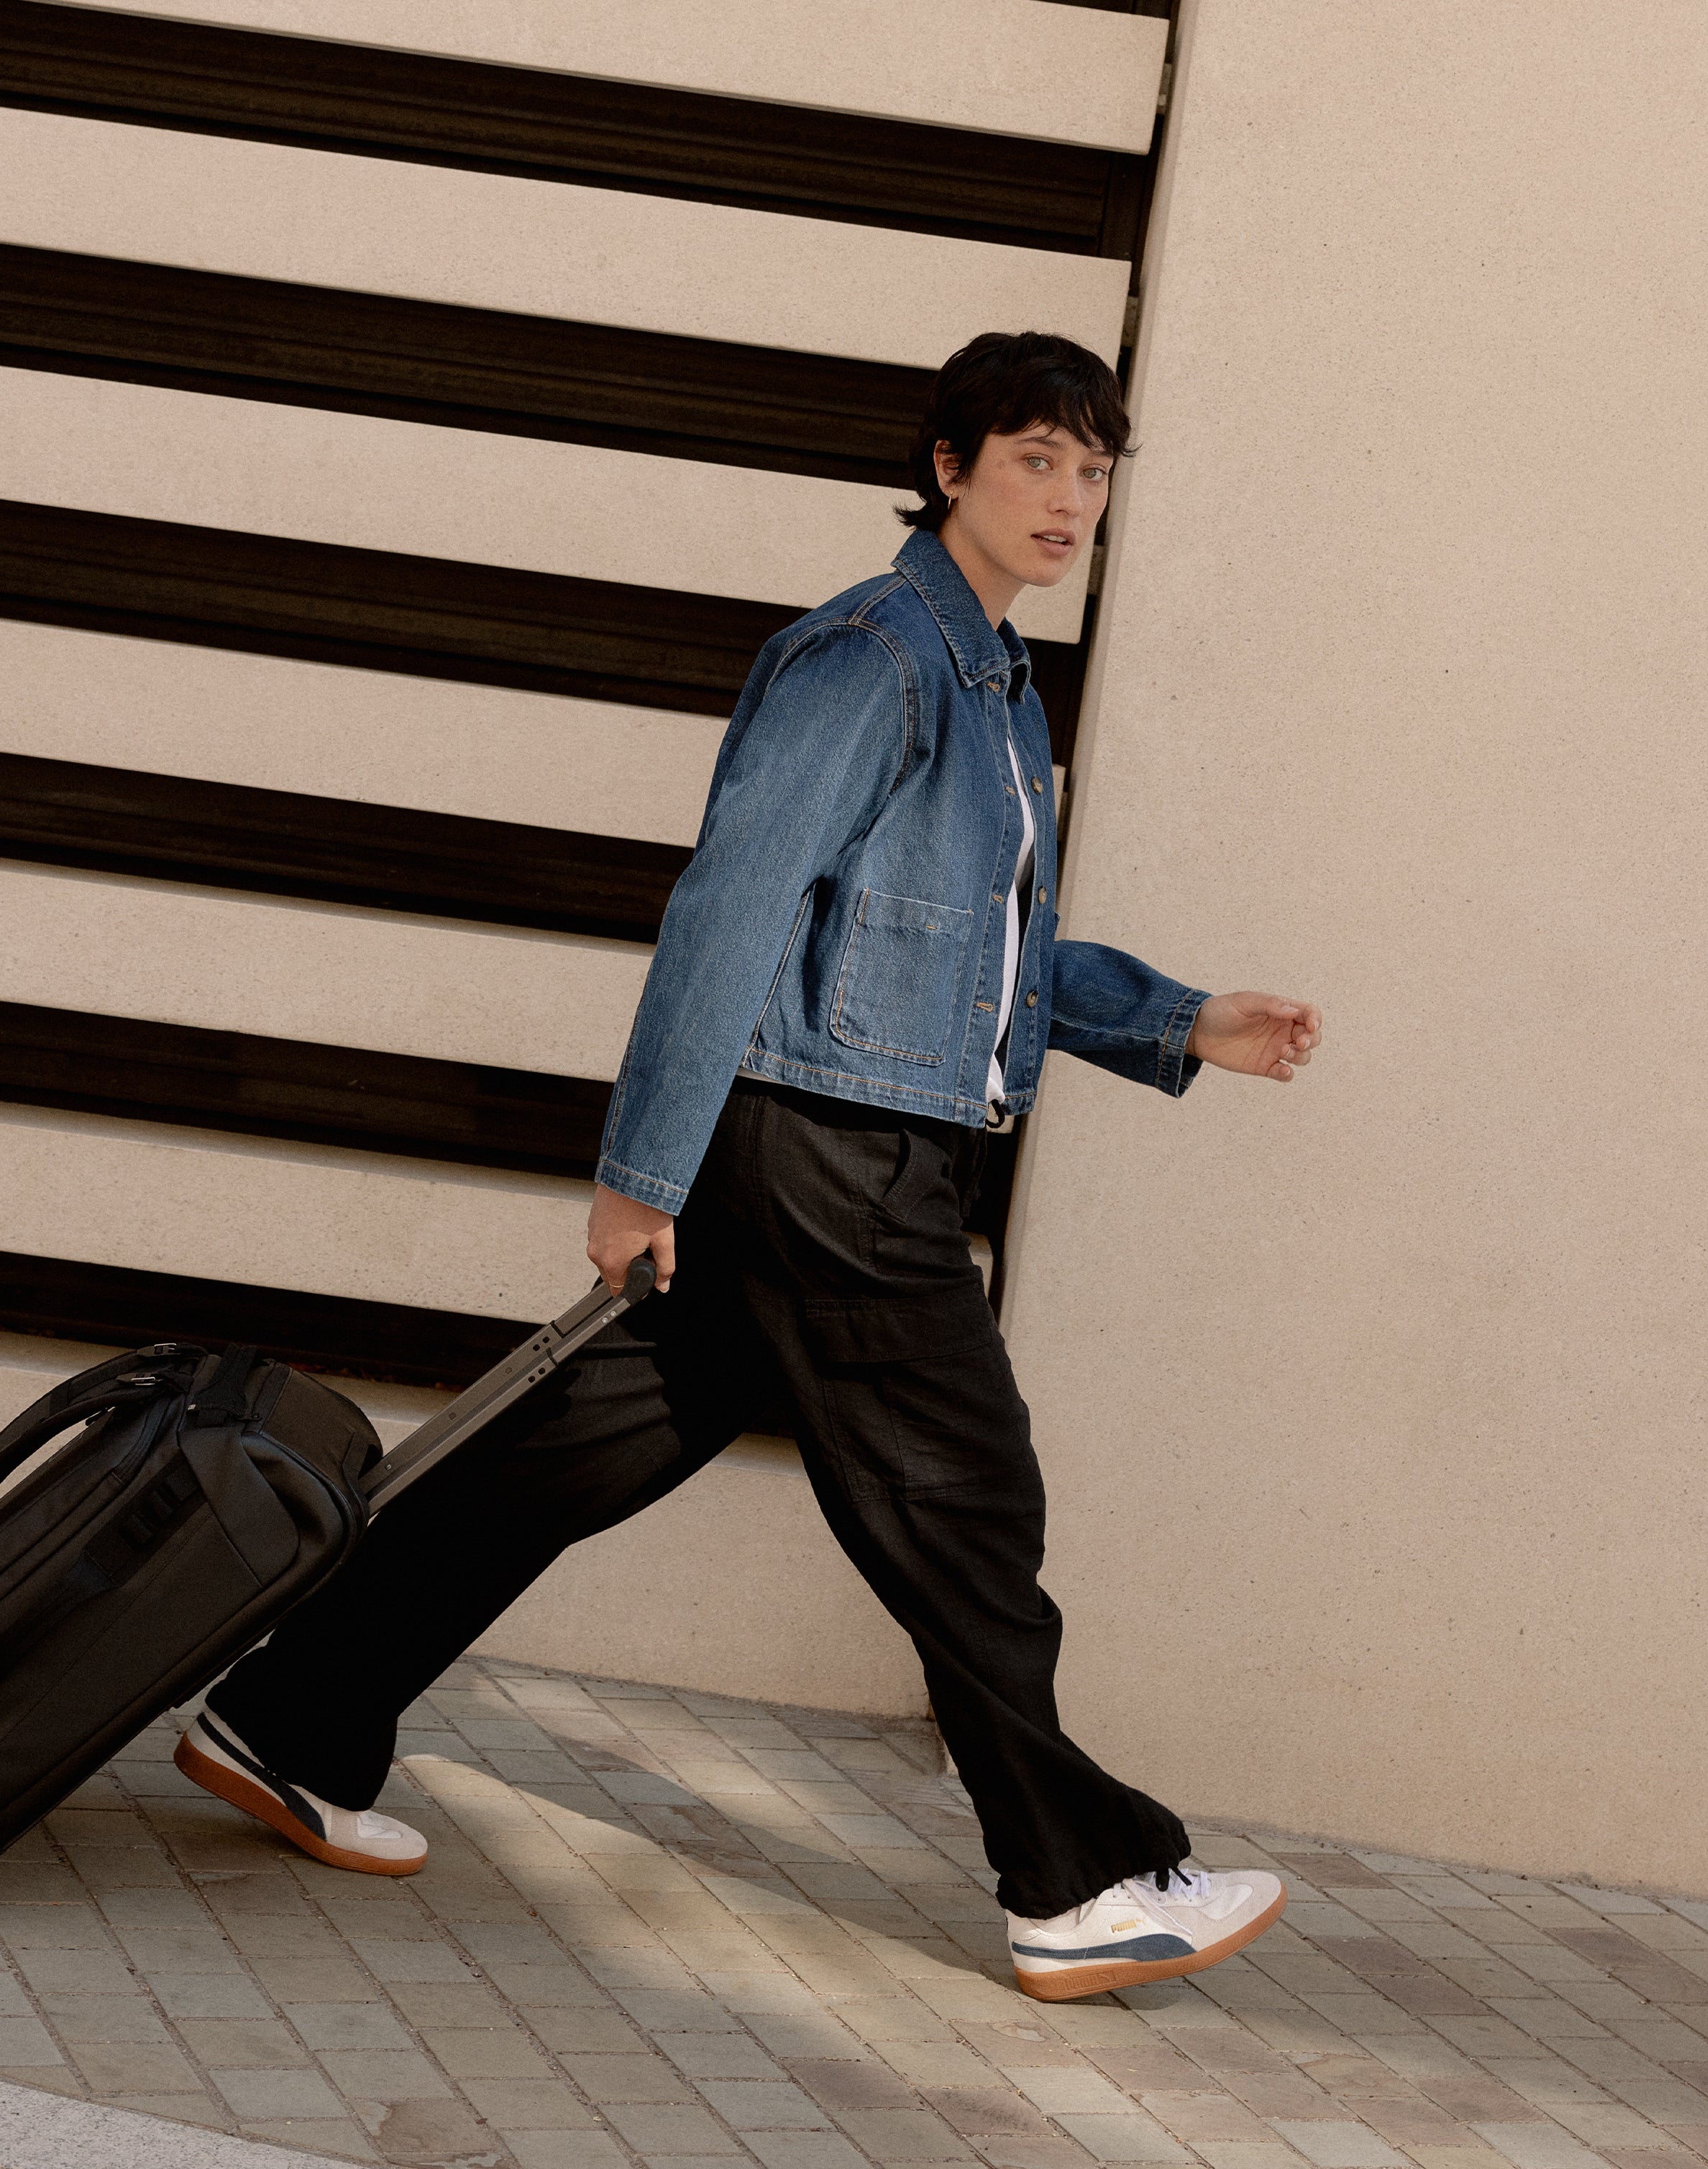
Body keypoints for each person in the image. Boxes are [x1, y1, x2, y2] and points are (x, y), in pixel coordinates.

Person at [179, 330, 1323, 2001]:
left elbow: (977, 952)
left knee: (573, 1452)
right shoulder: (873, 657)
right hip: (830, 1154)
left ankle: (288, 1718)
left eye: (1093, 471)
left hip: (825, 1139)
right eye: (1036, 461)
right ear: (949, 466)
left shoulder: (993, 686)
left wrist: (1177, 1019)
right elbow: (730, 907)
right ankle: (1081, 1884)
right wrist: (638, 1170)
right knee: (963, 1496)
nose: (1070, 500)